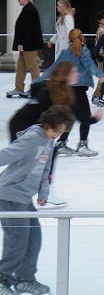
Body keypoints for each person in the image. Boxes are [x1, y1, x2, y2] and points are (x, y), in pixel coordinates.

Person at [0, 105, 75, 295]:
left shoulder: (48, 141)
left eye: (61, 132)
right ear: (47, 124)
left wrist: (43, 192)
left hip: (25, 197)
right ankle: (2, 278)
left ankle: (25, 278)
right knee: (17, 240)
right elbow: (6, 155)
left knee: (33, 239)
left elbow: (45, 169)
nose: (57, 135)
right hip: (9, 195)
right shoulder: (32, 138)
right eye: (55, 130)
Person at [35, 29, 104, 157]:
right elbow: (89, 64)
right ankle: (82, 144)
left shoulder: (65, 52)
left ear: (68, 40)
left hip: (66, 88)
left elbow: (54, 67)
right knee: (85, 117)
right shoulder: (83, 51)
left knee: (70, 116)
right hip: (78, 89)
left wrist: (39, 79)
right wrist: (99, 74)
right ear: (82, 38)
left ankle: (61, 142)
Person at [8, 0, 44, 99]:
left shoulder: (30, 10)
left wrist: (21, 43)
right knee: (21, 67)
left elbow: (27, 29)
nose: (18, 1)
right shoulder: (28, 10)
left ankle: (36, 89)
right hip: (26, 45)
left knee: (33, 67)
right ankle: (19, 87)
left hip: (29, 45)